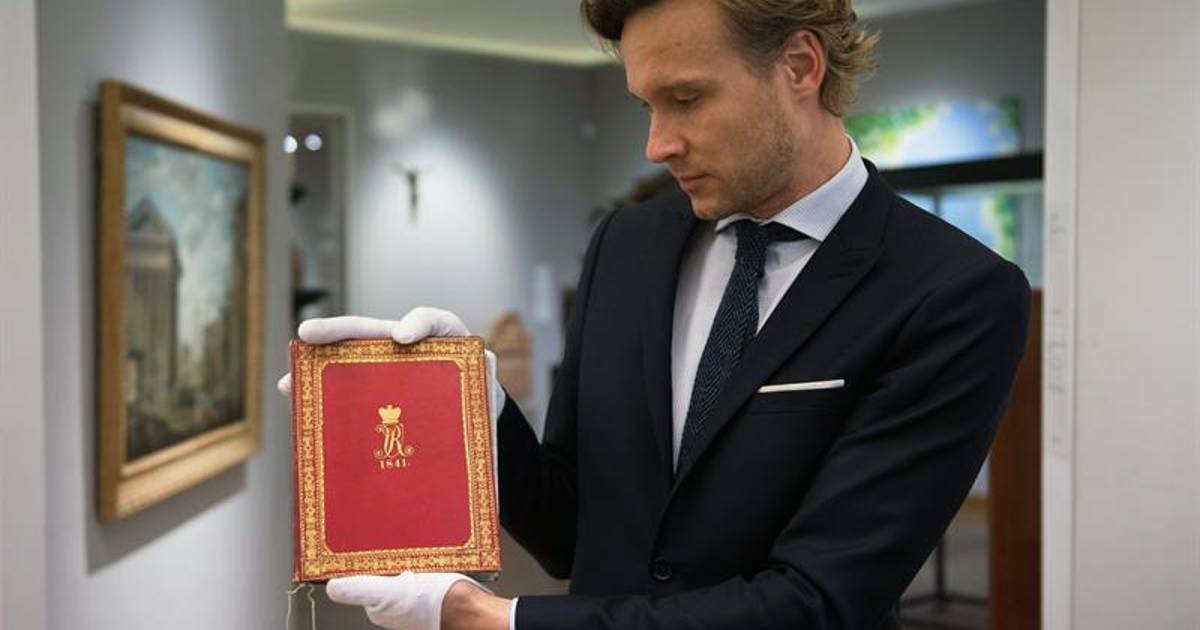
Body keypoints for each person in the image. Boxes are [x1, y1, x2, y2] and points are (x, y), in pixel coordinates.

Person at [281, 0, 1032, 628]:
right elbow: (571, 531)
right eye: (646, 104)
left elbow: (819, 600)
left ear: (801, 67)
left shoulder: (953, 293)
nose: (656, 144)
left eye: (687, 99)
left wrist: (495, 619)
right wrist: (477, 407)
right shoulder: (629, 244)